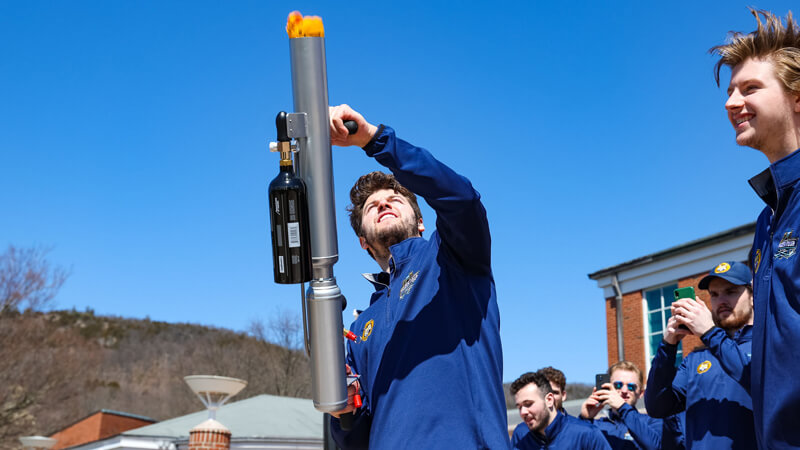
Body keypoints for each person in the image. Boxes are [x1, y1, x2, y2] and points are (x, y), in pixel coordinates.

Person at [325, 104, 509, 449]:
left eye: (395, 199)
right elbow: (357, 437)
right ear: (363, 242)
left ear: (421, 222)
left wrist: (373, 140)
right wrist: (343, 414)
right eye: (371, 207)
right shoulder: (362, 327)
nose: (383, 204)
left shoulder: (452, 258)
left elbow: (462, 199)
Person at [709, 8, 800, 447]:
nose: (731, 103)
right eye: (730, 91)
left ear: (797, 96)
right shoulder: (768, 219)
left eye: (750, 88)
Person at [646, 261, 756, 449]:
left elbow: (763, 384)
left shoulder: (769, 345)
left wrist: (709, 332)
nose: (721, 301)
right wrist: (668, 346)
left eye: (730, 292)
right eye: (714, 294)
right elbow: (657, 406)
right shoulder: (696, 359)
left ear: (753, 296)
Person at [511, 370, 610, 449]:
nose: (523, 412)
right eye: (519, 407)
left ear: (549, 400)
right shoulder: (521, 436)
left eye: (528, 404)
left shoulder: (587, 435)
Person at [579, 361, 661, 450]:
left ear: (641, 393)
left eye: (631, 387)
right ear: (607, 387)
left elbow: (656, 446)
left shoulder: (653, 422)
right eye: (618, 385)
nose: (624, 391)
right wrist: (584, 419)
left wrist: (623, 408)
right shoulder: (597, 426)